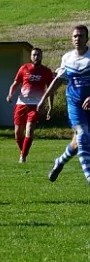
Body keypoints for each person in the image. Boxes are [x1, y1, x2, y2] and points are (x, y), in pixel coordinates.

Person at [38, 25, 90, 183]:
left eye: (81, 36)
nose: (77, 39)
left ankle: (59, 162)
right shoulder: (67, 58)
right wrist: (42, 100)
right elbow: (58, 80)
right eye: (75, 36)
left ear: (87, 39)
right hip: (74, 103)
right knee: (82, 137)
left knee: (77, 142)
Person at [6, 48, 54, 163]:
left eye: (38, 55)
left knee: (30, 129)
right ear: (31, 57)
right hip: (21, 104)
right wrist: (10, 95)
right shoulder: (24, 68)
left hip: (36, 105)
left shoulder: (46, 72)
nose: (36, 57)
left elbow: (51, 90)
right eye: (34, 55)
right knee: (18, 134)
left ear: (41, 57)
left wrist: (50, 107)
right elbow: (15, 84)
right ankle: (23, 151)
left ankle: (23, 157)